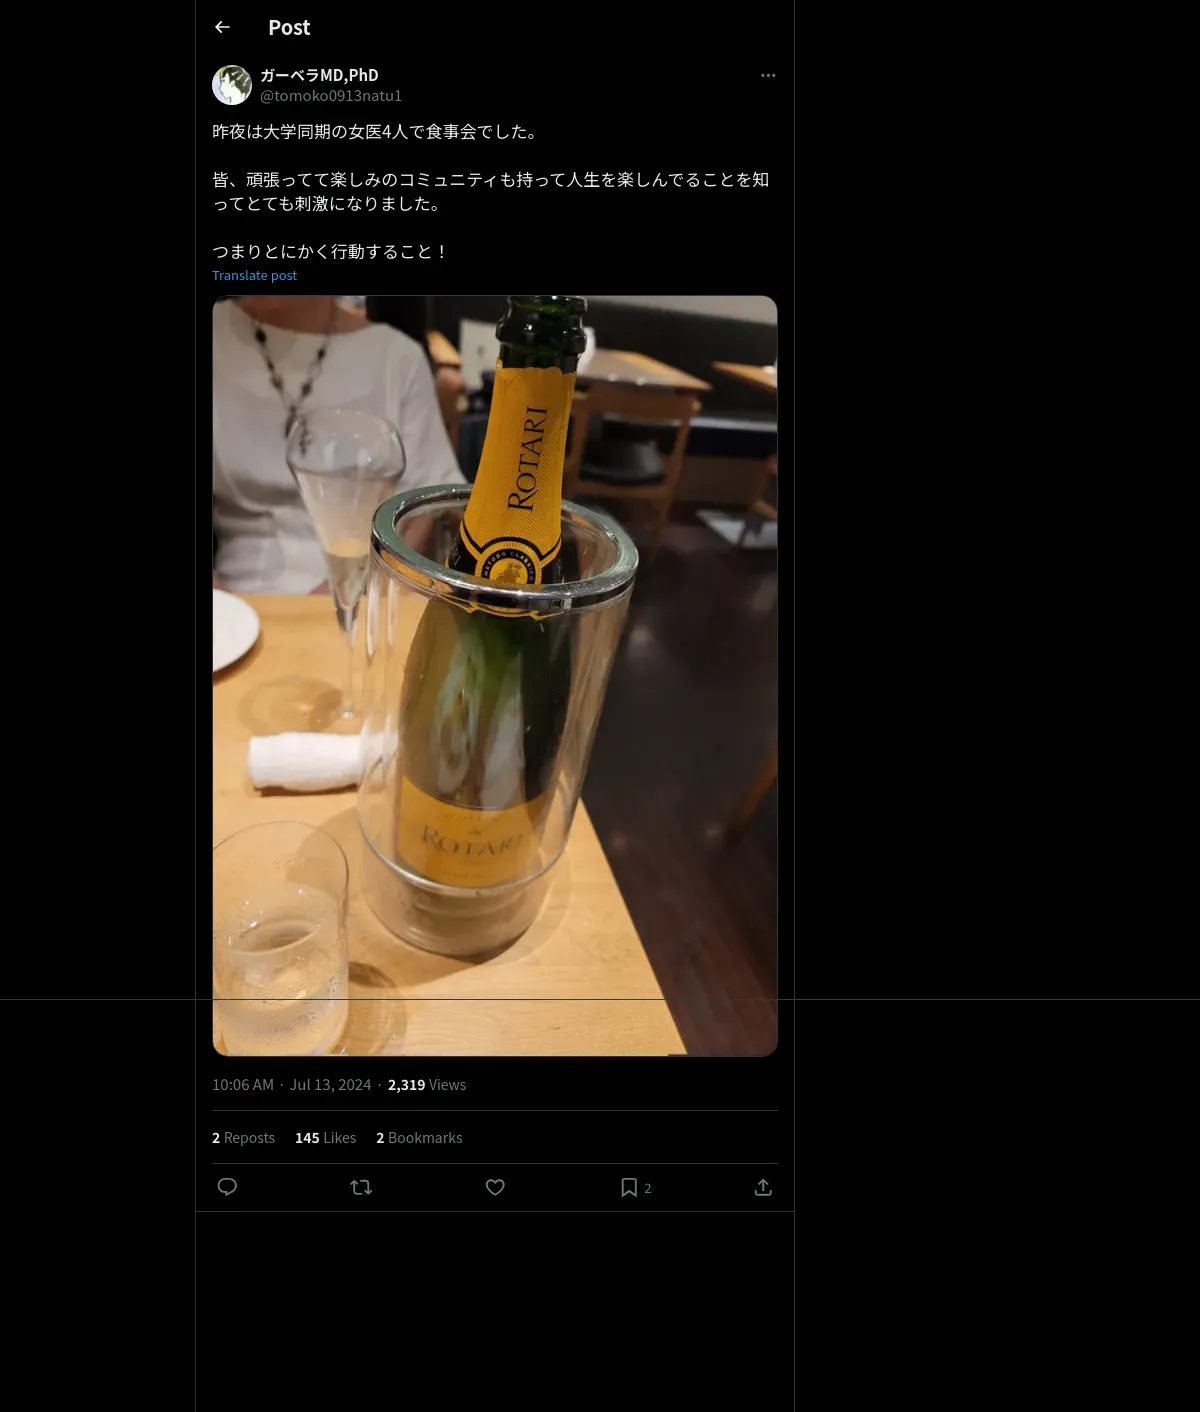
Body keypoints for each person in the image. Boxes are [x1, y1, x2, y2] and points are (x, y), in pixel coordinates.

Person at [213, 296, 464, 593]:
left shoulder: (397, 358)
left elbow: (425, 509)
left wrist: (352, 594)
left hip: (370, 592)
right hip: (234, 598)